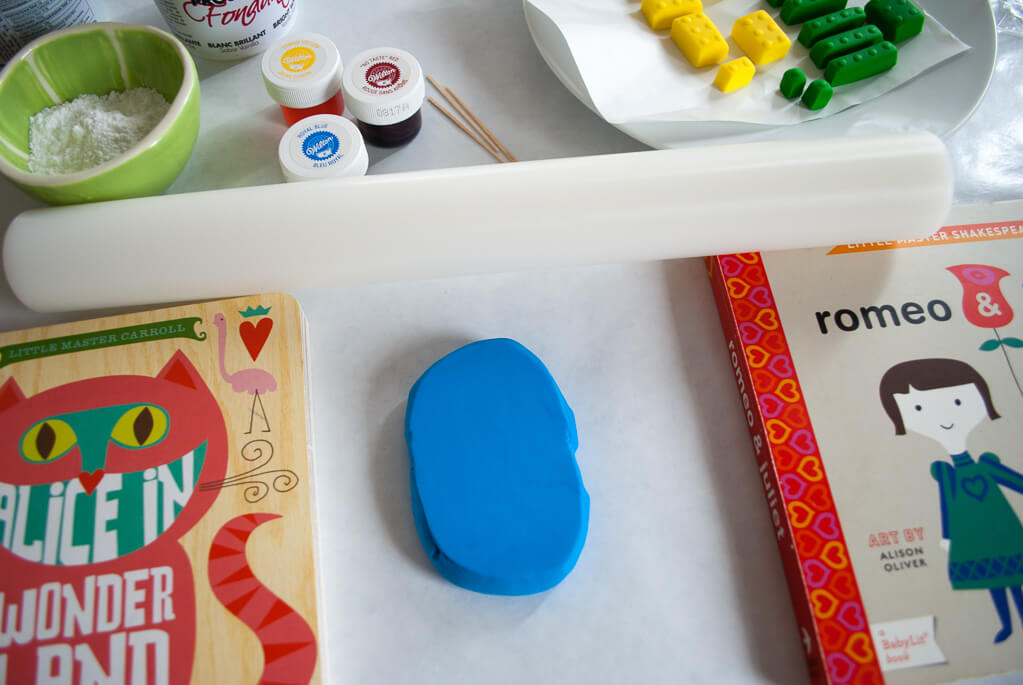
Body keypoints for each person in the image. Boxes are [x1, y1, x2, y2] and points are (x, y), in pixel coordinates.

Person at [880, 358, 1023, 643]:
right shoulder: (945, 474)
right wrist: (946, 536)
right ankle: (1006, 624)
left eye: (959, 402)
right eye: (918, 408)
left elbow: (1016, 483)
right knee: (991, 579)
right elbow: (947, 505)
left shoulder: (986, 464)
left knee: (1014, 576)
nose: (945, 417)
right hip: (970, 534)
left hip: (1001, 525)